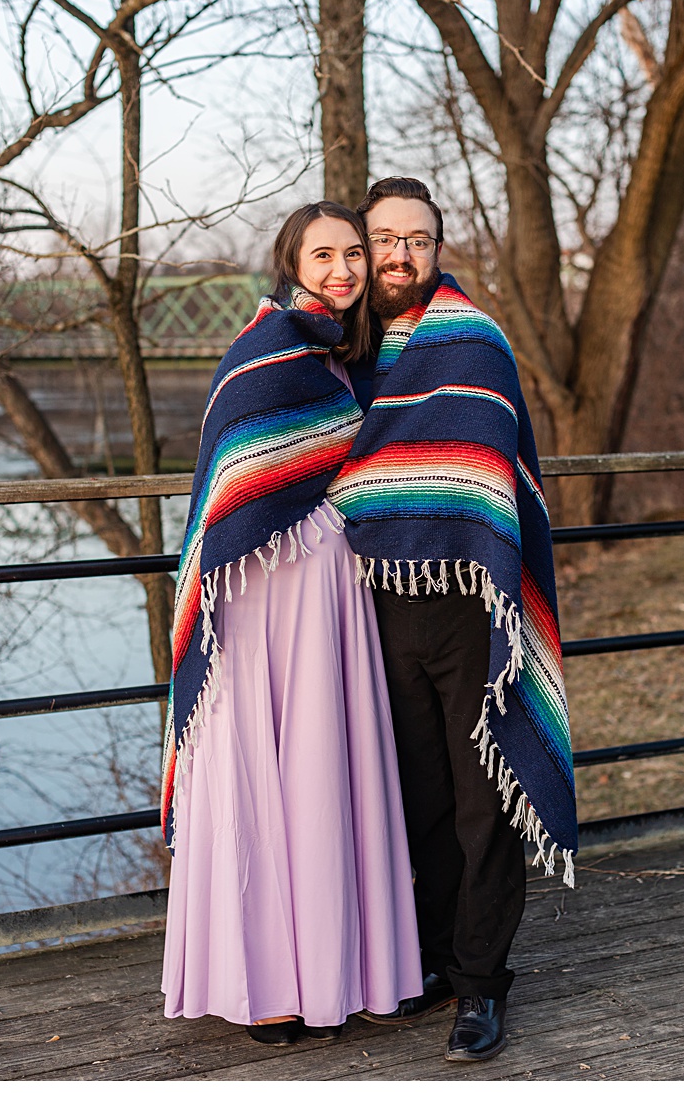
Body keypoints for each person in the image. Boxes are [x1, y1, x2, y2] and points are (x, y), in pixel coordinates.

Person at [160, 201, 421, 1045]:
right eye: (325, 256)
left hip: (325, 593)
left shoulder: (342, 355)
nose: (343, 270)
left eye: (354, 253)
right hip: (260, 593)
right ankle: (268, 985)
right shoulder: (267, 350)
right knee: (259, 777)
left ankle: (339, 971)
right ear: (293, 262)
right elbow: (232, 483)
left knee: (322, 772)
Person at [331, 176, 578, 1061]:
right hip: (363, 603)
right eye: (385, 239)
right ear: (364, 245)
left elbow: (492, 471)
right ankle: (432, 957)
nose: (401, 254)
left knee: (483, 800)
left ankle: (481, 985)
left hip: (468, 600)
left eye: (418, 240)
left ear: (439, 248)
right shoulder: (338, 346)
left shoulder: (471, 339)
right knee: (412, 796)